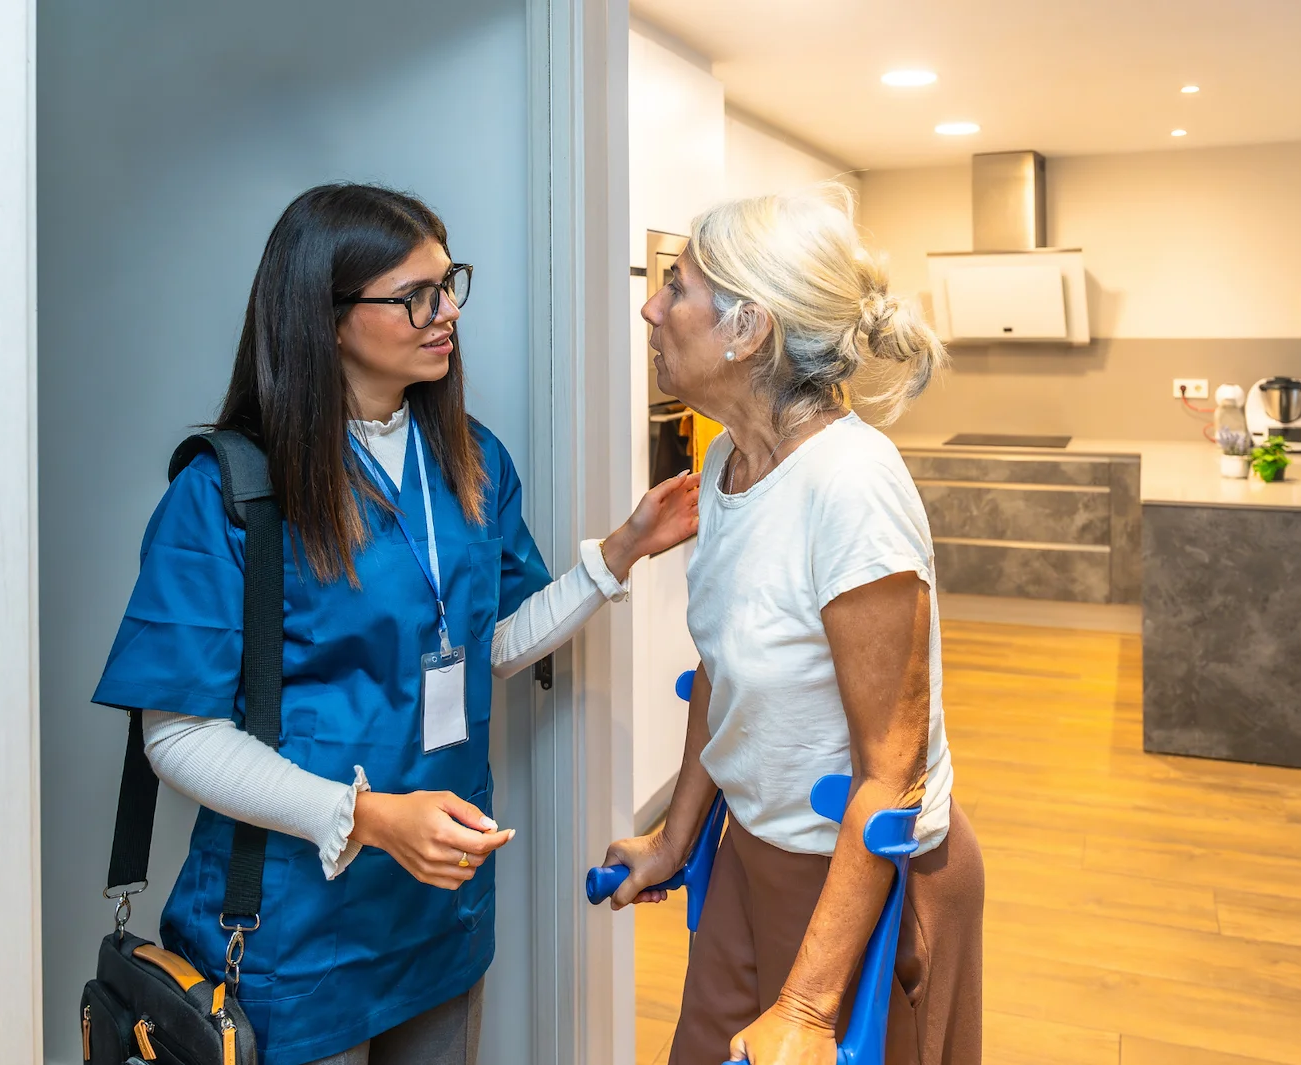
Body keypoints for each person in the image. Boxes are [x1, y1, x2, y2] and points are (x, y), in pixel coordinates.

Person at [91, 184, 701, 1065]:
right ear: (327, 318)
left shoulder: (471, 459)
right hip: (295, 929)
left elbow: (486, 644)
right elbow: (179, 735)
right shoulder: (229, 490)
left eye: (449, 284)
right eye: (416, 295)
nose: (447, 311)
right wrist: (368, 817)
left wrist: (618, 555)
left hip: (437, 910)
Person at [601, 184, 983, 1065]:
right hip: (752, 848)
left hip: (868, 882)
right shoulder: (727, 461)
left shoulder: (852, 485)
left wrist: (809, 1008)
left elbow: (894, 770)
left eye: (678, 287)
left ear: (748, 329)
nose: (651, 307)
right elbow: (720, 674)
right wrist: (674, 838)